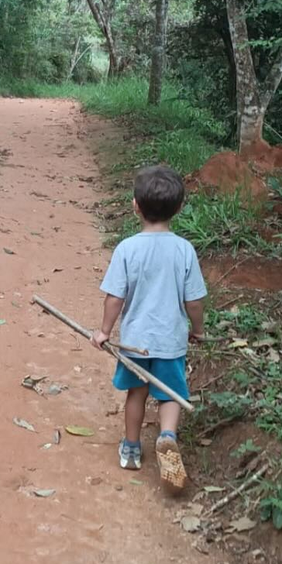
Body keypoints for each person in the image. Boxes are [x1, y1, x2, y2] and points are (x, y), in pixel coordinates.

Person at [92, 165, 206, 493]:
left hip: (134, 343)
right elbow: (195, 300)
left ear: (135, 206)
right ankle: (167, 436)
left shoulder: (127, 249)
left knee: (137, 393)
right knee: (171, 394)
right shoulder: (184, 250)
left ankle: (130, 448)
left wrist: (104, 331)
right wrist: (197, 328)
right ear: (180, 208)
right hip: (170, 340)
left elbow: (115, 297)